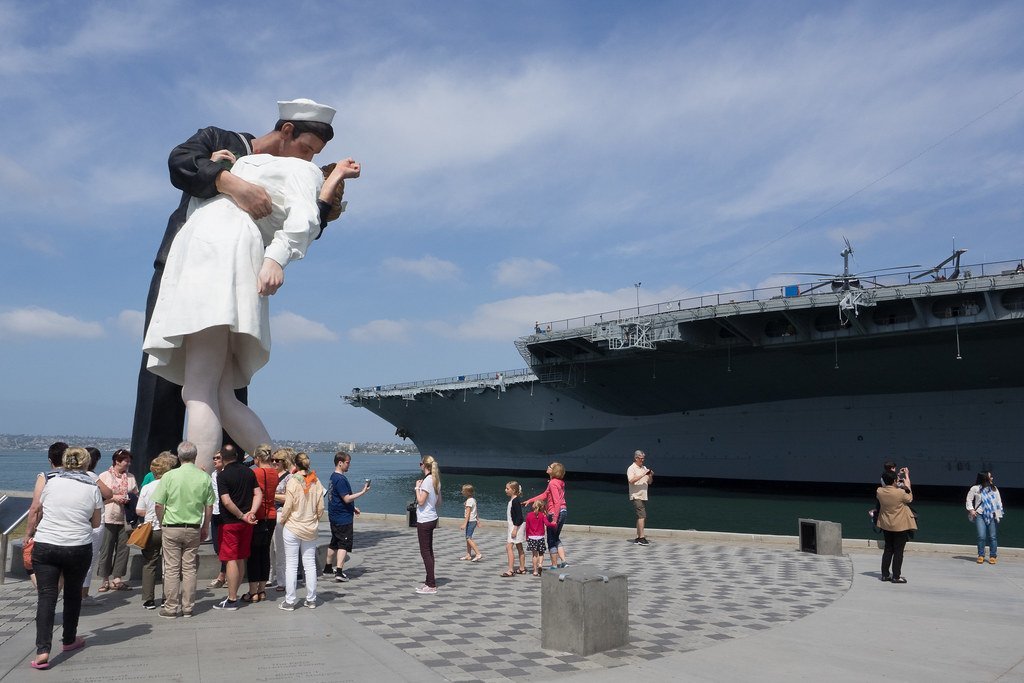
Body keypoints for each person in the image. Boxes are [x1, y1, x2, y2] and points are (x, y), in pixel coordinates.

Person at [131, 98, 341, 478]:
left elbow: (306, 221)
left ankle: (195, 489)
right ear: (287, 131)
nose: (308, 159)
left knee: (197, 389)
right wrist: (229, 177)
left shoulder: (289, 169)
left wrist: (329, 190)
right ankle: (282, 475)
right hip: (205, 267)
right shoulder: (224, 143)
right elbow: (181, 162)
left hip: (211, 265)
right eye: (306, 149)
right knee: (209, 394)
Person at [26, 447, 103, 670]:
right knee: (72, 594)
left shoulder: (51, 483)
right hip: (77, 546)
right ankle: (69, 639)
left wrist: (30, 534)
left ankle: (42, 650)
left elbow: (36, 510)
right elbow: (96, 523)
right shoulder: (92, 487)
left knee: (47, 597)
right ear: (87, 463)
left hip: (47, 543)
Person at [152, 441, 214, 619]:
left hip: (171, 525)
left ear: (178, 457)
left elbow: (158, 504)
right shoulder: (204, 477)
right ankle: (188, 606)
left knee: (171, 568)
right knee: (189, 568)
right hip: (193, 527)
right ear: (195, 457)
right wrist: (205, 526)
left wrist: (162, 521)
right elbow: (209, 505)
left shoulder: (169, 476)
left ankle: (171, 607)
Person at [212, 444, 260, 611]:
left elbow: (226, 501)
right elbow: (258, 494)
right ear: (238, 456)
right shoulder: (249, 472)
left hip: (231, 522)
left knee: (231, 558)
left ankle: (232, 599)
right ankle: (235, 594)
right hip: (247, 523)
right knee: (240, 557)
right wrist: (251, 513)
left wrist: (241, 515)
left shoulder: (222, 476)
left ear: (223, 458)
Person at [278, 452, 325, 610]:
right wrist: (315, 519)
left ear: (296, 465)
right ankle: (311, 599)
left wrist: (283, 520)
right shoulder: (316, 481)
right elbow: (321, 507)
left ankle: (290, 601)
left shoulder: (293, 481)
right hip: (310, 527)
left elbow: (288, 505)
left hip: (293, 526)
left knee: (291, 564)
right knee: (309, 564)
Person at [25, 442, 69, 589]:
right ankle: (53, 595)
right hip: (69, 529)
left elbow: (35, 507)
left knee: (30, 563)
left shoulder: (45, 477)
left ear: (50, 460)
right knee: (62, 569)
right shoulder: (78, 477)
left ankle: (46, 595)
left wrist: (28, 533)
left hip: (47, 530)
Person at [136, 454, 176, 609]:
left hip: (150, 528)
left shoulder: (146, 488)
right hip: (168, 527)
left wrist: (149, 513)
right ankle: (167, 597)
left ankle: (148, 599)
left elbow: (139, 510)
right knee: (169, 564)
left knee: (149, 563)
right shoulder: (171, 485)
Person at [96, 448, 139, 592]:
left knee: (123, 549)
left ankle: (118, 578)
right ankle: (104, 579)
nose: (128, 463)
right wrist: (114, 497)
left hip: (125, 518)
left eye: (129, 460)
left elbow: (135, 495)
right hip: (108, 516)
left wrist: (130, 500)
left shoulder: (131, 477)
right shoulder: (104, 476)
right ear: (117, 461)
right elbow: (98, 496)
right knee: (106, 549)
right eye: (126, 460)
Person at [326, 451, 370, 582]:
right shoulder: (340, 479)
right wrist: (362, 492)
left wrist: (353, 508)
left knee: (334, 542)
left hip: (334, 516)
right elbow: (346, 498)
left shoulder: (333, 477)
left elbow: (337, 498)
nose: (349, 465)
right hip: (342, 518)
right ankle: (339, 571)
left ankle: (328, 567)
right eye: (347, 463)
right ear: (340, 463)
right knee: (343, 544)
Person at [245, 444, 278, 602]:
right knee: (265, 552)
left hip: (257, 515)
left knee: (253, 553)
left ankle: (253, 591)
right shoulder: (275, 473)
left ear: (257, 458)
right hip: (271, 515)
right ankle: (262, 589)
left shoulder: (255, 473)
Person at [81, 447, 112, 604]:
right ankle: (83, 594)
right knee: (89, 558)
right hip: (94, 522)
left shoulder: (71, 476)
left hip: (79, 520)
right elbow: (108, 493)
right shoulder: (91, 476)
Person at [524, 462, 569, 569]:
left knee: (551, 540)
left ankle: (554, 565)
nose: (548, 467)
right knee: (556, 537)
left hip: (554, 512)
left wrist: (554, 518)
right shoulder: (560, 482)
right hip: (563, 511)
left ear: (554, 471)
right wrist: (530, 500)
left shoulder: (553, 483)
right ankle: (564, 562)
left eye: (550, 466)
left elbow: (556, 501)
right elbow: (545, 495)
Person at [876, 467, 917, 583]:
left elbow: (887, 486)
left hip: (886, 524)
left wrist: (895, 478)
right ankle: (896, 576)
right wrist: (907, 480)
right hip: (900, 525)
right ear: (894, 481)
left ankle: (885, 575)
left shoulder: (879, 491)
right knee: (898, 551)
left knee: (888, 549)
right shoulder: (900, 493)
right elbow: (910, 498)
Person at [414, 455, 442, 595]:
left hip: (424, 520)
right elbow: (438, 502)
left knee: (425, 552)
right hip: (433, 518)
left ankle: (431, 585)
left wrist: (417, 487)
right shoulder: (436, 480)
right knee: (429, 551)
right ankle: (429, 580)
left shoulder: (426, 481)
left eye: (420, 464)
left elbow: (420, 501)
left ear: (424, 465)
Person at [270, 448, 296, 590]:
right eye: (272, 460)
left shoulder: (289, 478)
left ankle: (281, 580)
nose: (274, 463)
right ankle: (268, 577)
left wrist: (271, 494)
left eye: (277, 460)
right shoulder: (269, 474)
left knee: (280, 548)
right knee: (268, 548)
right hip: (268, 513)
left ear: (283, 462)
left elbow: (289, 497)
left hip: (280, 513)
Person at [966, 471, 1004, 564]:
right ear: (985, 478)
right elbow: (969, 499)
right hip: (980, 514)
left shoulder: (994, 488)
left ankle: (993, 555)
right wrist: (971, 510)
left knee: (993, 536)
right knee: (981, 536)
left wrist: (998, 514)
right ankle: (981, 555)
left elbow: (998, 501)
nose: (992, 478)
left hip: (992, 514)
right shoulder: (975, 488)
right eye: (990, 476)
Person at [207, 450, 227, 589]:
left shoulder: (228, 474)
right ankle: (224, 573)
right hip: (215, 513)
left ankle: (223, 575)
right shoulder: (212, 475)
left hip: (226, 513)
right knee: (217, 546)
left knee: (226, 545)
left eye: (218, 458)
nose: (215, 460)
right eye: (213, 458)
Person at [524, 500, 558, 576]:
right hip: (540, 537)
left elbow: (527, 527)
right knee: (541, 553)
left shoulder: (528, 515)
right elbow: (547, 524)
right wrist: (554, 524)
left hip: (532, 537)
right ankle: (540, 564)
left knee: (534, 555)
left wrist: (527, 537)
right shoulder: (542, 516)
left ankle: (535, 571)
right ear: (542, 507)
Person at [500, 481, 526, 577]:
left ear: (513, 490)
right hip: (515, 526)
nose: (505, 490)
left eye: (507, 488)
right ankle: (522, 568)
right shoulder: (515, 500)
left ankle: (510, 570)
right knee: (519, 547)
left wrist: (515, 529)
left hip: (515, 527)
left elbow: (519, 517)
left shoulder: (515, 501)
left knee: (509, 547)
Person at [627, 450, 653, 545]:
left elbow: (649, 482)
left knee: (640, 517)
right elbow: (631, 480)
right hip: (636, 495)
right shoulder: (631, 468)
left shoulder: (644, 468)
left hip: (643, 495)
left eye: (643, 458)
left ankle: (638, 537)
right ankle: (641, 538)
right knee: (642, 516)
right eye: (641, 458)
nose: (642, 460)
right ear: (636, 458)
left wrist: (649, 475)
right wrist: (642, 474)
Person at [459, 484, 482, 562]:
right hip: (473, 520)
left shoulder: (469, 501)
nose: (462, 492)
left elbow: (468, 514)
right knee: (468, 538)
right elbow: (476, 511)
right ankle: (468, 555)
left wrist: (464, 524)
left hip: (470, 521)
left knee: (468, 538)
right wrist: (478, 520)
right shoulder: (473, 500)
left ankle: (478, 553)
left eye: (463, 491)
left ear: (467, 492)